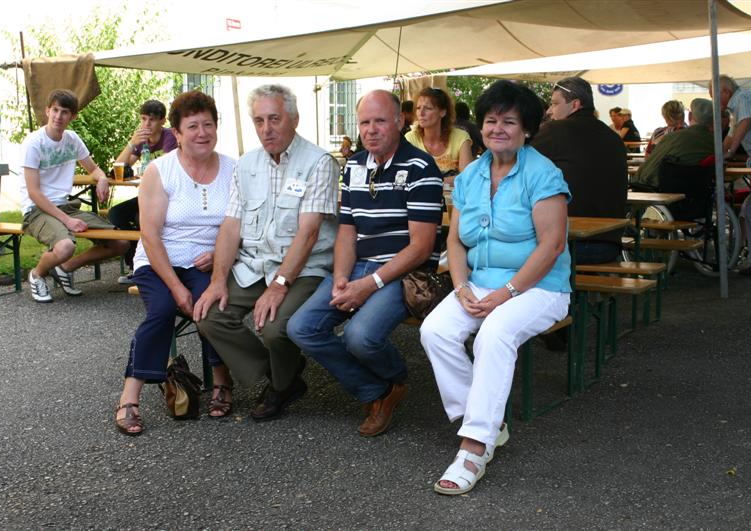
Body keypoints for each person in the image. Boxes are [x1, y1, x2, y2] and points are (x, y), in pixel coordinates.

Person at [420, 80, 571, 495]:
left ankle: (475, 446)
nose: (497, 128)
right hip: (479, 282)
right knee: (434, 331)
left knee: (495, 334)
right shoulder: (470, 175)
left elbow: (552, 244)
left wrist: (506, 293)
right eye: (490, 121)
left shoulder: (543, 173)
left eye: (509, 121)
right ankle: (488, 419)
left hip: (540, 287)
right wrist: (461, 284)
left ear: (526, 130)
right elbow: (454, 238)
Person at [287, 90, 443, 437]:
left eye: (380, 121)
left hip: (402, 273)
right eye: (364, 123)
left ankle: (394, 375)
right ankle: (379, 391)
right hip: (356, 267)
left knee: (360, 337)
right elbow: (347, 230)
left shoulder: (420, 167)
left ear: (401, 122)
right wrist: (342, 278)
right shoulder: (354, 165)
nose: (371, 130)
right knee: (302, 328)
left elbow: (421, 247)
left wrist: (367, 286)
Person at [193, 84, 340, 422]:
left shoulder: (318, 163)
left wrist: (279, 285)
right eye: (258, 121)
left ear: (294, 119)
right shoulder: (246, 166)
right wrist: (217, 280)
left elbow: (309, 232)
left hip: (304, 268)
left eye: (274, 118)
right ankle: (281, 377)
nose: (266, 128)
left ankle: (281, 378)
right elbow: (231, 226)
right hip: (256, 264)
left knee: (274, 327)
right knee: (209, 315)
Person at [115, 91, 237, 436]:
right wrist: (176, 286)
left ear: (217, 128)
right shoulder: (160, 170)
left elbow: (240, 224)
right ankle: (129, 398)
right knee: (163, 310)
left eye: (208, 125)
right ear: (178, 134)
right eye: (193, 126)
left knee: (212, 307)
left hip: (207, 262)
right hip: (159, 260)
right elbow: (150, 236)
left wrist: (219, 254)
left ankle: (221, 383)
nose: (202, 133)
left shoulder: (233, 169)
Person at [20, 89, 129, 303]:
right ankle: (37, 274)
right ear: (47, 111)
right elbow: (34, 193)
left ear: (73, 116)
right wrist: (67, 220)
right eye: (55, 110)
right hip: (36, 210)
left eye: (65, 112)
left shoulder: (72, 139)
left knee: (122, 243)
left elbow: (93, 168)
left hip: (66, 206)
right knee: (65, 246)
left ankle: (65, 268)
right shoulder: (34, 143)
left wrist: (103, 179)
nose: (58, 116)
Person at [532, 76, 627, 264]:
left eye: (555, 104)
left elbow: (512, 161)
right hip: (611, 244)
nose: (550, 111)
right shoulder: (614, 138)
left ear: (575, 104)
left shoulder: (554, 131)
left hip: (571, 245)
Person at [109, 100, 179, 284]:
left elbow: (168, 169)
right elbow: (119, 169)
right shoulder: (141, 141)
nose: (146, 124)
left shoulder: (169, 138)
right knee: (116, 214)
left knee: (143, 218)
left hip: (169, 196)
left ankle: (153, 266)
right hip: (149, 195)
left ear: (162, 121)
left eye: (152, 120)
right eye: (143, 119)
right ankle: (135, 263)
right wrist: (132, 144)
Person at [711, 75, 751, 276]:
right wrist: (717, 155)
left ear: (725, 91)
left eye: (714, 95)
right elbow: (731, 135)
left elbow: (746, 122)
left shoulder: (743, 97)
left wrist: (729, 153)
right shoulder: (735, 108)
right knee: (750, 211)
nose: (714, 101)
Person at [633, 98, 715, 191]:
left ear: (690, 116)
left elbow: (648, 164)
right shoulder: (714, 141)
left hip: (658, 186)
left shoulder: (668, 136)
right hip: (692, 190)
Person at [405, 87, 472, 185]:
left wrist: (429, 181)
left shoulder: (461, 137)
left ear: (443, 112)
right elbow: (404, 176)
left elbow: (468, 177)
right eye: (418, 108)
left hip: (454, 199)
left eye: (428, 108)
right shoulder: (410, 139)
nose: (421, 113)